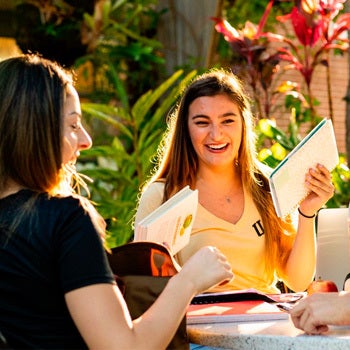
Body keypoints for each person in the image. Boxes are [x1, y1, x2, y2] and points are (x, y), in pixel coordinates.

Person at [0, 54, 234, 349]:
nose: (86, 140)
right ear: (34, 132)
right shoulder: (66, 218)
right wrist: (188, 281)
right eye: (73, 126)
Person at [134, 68, 335, 294]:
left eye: (227, 120)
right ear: (186, 129)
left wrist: (307, 213)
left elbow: (298, 282)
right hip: (199, 324)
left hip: (265, 321)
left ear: (243, 124)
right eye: (202, 122)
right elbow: (144, 288)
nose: (216, 134)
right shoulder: (162, 195)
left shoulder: (268, 186)